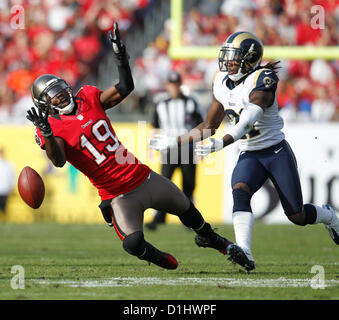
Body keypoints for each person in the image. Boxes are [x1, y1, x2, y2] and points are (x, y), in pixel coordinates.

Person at [26, 23, 251, 271]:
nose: (60, 95)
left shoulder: (87, 96)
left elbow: (124, 88)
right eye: (52, 95)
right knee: (132, 244)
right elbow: (58, 160)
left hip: (142, 177)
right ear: (44, 104)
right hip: (116, 194)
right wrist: (46, 133)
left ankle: (215, 240)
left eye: (59, 89)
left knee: (189, 211)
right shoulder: (51, 128)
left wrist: (121, 58)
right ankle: (155, 255)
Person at [150, 31, 339, 271]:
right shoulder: (219, 80)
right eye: (227, 57)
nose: (227, 62)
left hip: (275, 151)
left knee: (297, 215)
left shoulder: (263, 78)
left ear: (249, 59)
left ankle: (329, 216)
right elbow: (209, 126)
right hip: (250, 153)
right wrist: (174, 141)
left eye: (234, 57)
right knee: (240, 191)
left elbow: (249, 118)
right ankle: (245, 253)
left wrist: (223, 142)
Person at [146, 71, 204, 230]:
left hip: (187, 147)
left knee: (188, 185)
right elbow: (155, 127)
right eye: (171, 85)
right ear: (167, 86)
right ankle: (159, 217)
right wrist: (151, 147)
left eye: (176, 84)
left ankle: (190, 220)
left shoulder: (191, 102)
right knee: (164, 183)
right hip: (168, 148)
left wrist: (199, 150)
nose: (174, 88)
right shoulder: (161, 104)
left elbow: (200, 127)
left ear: (180, 85)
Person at [0, 148, 15, 215]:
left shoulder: (8, 164)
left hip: (5, 189)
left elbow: (11, 176)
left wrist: (11, 187)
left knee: (3, 207)